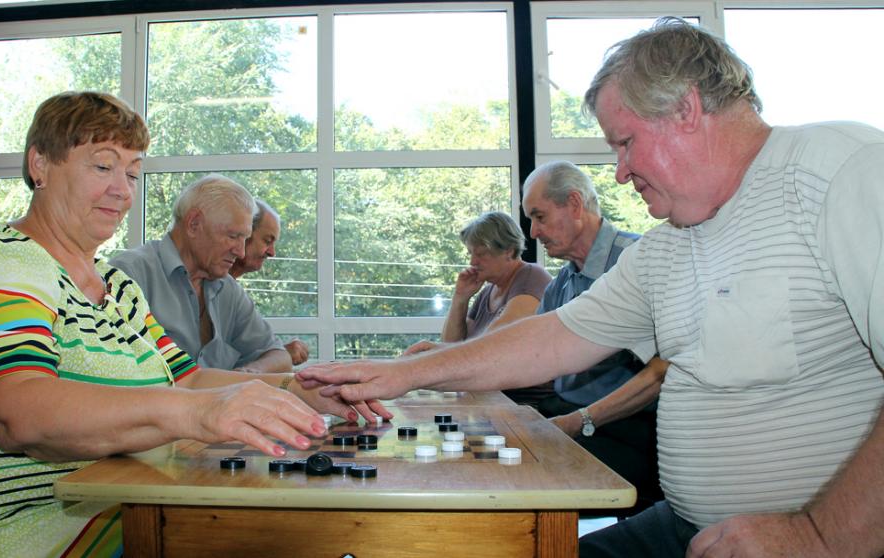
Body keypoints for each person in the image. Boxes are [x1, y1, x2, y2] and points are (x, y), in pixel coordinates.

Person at [299, 18, 884, 558]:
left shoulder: (840, 170)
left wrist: (820, 534)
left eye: (625, 143)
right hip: (688, 523)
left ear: (686, 109)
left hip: (812, 535)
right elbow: (551, 338)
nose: (622, 172)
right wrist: (400, 375)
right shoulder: (669, 245)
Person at [0, 91, 388, 557]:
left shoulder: (114, 284)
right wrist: (197, 413)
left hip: (112, 508)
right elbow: (20, 414)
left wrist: (300, 388)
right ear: (40, 165)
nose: (122, 190)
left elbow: (189, 377)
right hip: (13, 536)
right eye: (103, 165)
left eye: (133, 173)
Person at [521, 160, 667, 510]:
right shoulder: (563, 283)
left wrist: (580, 420)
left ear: (574, 205)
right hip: (569, 415)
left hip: (626, 427)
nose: (533, 232)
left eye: (539, 217)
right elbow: (529, 354)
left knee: (521, 473)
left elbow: (664, 371)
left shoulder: (639, 262)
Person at [110, 176, 297, 373]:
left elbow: (279, 356)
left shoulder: (227, 289)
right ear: (194, 224)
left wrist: (246, 376)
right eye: (233, 236)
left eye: (245, 239)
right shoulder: (128, 275)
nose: (241, 252)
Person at [405, 211, 551, 354]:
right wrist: (460, 297)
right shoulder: (487, 292)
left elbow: (496, 344)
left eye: (481, 254)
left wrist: (435, 350)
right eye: (471, 253)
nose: (472, 262)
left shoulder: (531, 277)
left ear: (509, 251)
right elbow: (449, 346)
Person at [229, 198, 310, 365]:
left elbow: (253, 351)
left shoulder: (232, 293)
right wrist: (280, 354)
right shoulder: (204, 283)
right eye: (267, 241)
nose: (272, 253)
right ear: (243, 234)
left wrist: (278, 354)